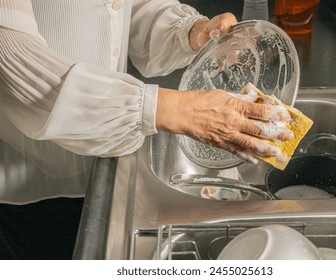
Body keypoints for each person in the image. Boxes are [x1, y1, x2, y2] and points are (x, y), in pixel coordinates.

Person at [0, 0, 294, 259]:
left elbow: (126, 7)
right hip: (30, 185)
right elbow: (14, 61)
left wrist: (191, 31)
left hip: (107, 161)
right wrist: (169, 109)